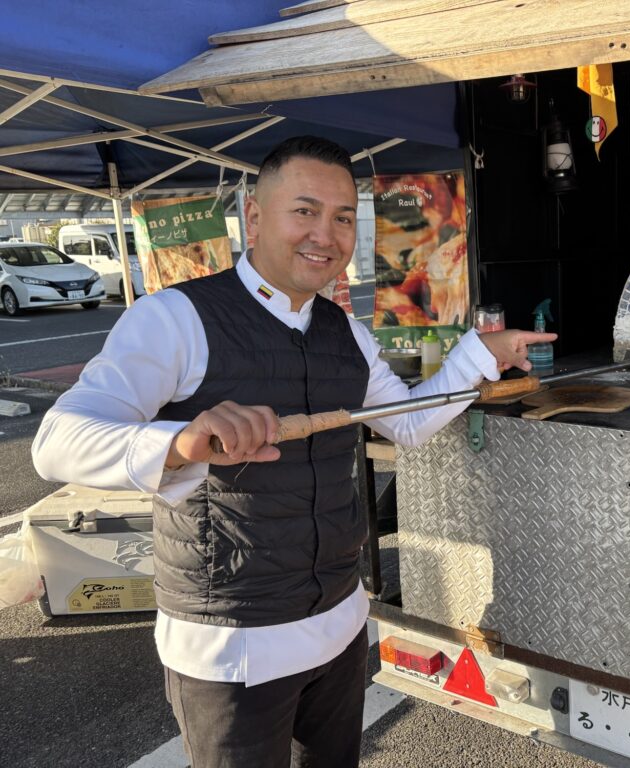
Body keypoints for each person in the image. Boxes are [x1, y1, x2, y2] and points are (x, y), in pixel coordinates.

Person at [32, 135, 556, 768]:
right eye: (304, 211)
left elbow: (408, 422)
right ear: (254, 217)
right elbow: (57, 442)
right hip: (231, 645)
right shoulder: (174, 318)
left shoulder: (345, 331)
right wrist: (178, 441)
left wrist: (479, 354)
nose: (324, 235)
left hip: (339, 626)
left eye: (343, 218)